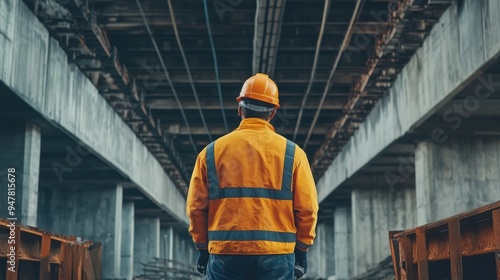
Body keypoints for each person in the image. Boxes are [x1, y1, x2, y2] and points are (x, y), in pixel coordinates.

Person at [186, 73, 318, 280]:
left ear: (240, 109)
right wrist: (301, 249)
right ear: (273, 113)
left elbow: (196, 208)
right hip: (276, 256)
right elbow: (308, 208)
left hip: (226, 254)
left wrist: (203, 248)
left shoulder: (210, 153)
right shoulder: (293, 154)